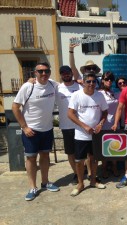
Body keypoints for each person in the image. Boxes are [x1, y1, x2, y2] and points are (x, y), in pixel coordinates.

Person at [12, 62, 60, 201]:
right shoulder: (28, 86)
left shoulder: (52, 84)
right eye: (40, 71)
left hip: (47, 128)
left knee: (45, 156)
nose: (44, 74)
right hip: (31, 130)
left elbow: (68, 84)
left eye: (46, 71)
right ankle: (32, 187)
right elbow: (15, 107)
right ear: (35, 73)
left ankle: (45, 182)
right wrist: (24, 127)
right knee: (31, 158)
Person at [68, 73, 108, 196]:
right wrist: (84, 126)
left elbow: (105, 112)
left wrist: (101, 123)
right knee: (79, 161)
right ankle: (80, 184)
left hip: (95, 134)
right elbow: (70, 114)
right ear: (84, 82)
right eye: (88, 81)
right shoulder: (76, 95)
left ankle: (93, 181)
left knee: (94, 159)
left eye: (93, 81)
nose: (91, 84)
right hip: (81, 135)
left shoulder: (100, 95)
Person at [55, 65, 82, 184]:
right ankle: (76, 174)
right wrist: (32, 80)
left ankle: (85, 171)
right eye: (63, 73)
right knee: (70, 153)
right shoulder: (57, 88)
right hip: (66, 126)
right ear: (61, 75)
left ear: (71, 73)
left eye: (68, 72)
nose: (66, 75)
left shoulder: (80, 86)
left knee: (83, 152)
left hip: (80, 125)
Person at [99, 71, 120, 178]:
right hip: (104, 125)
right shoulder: (98, 93)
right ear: (102, 80)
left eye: (111, 79)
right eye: (107, 79)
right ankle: (104, 169)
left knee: (115, 148)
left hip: (115, 124)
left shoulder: (113, 93)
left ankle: (114, 167)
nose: (109, 81)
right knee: (105, 149)